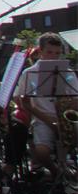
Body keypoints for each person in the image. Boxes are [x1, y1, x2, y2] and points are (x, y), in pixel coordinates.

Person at [16, 33, 76, 181]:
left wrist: (66, 108)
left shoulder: (67, 72)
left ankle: (66, 163)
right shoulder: (29, 73)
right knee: (42, 152)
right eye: (49, 52)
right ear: (40, 51)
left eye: (57, 53)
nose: (53, 57)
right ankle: (57, 172)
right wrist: (49, 121)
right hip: (42, 119)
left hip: (65, 118)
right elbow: (24, 102)